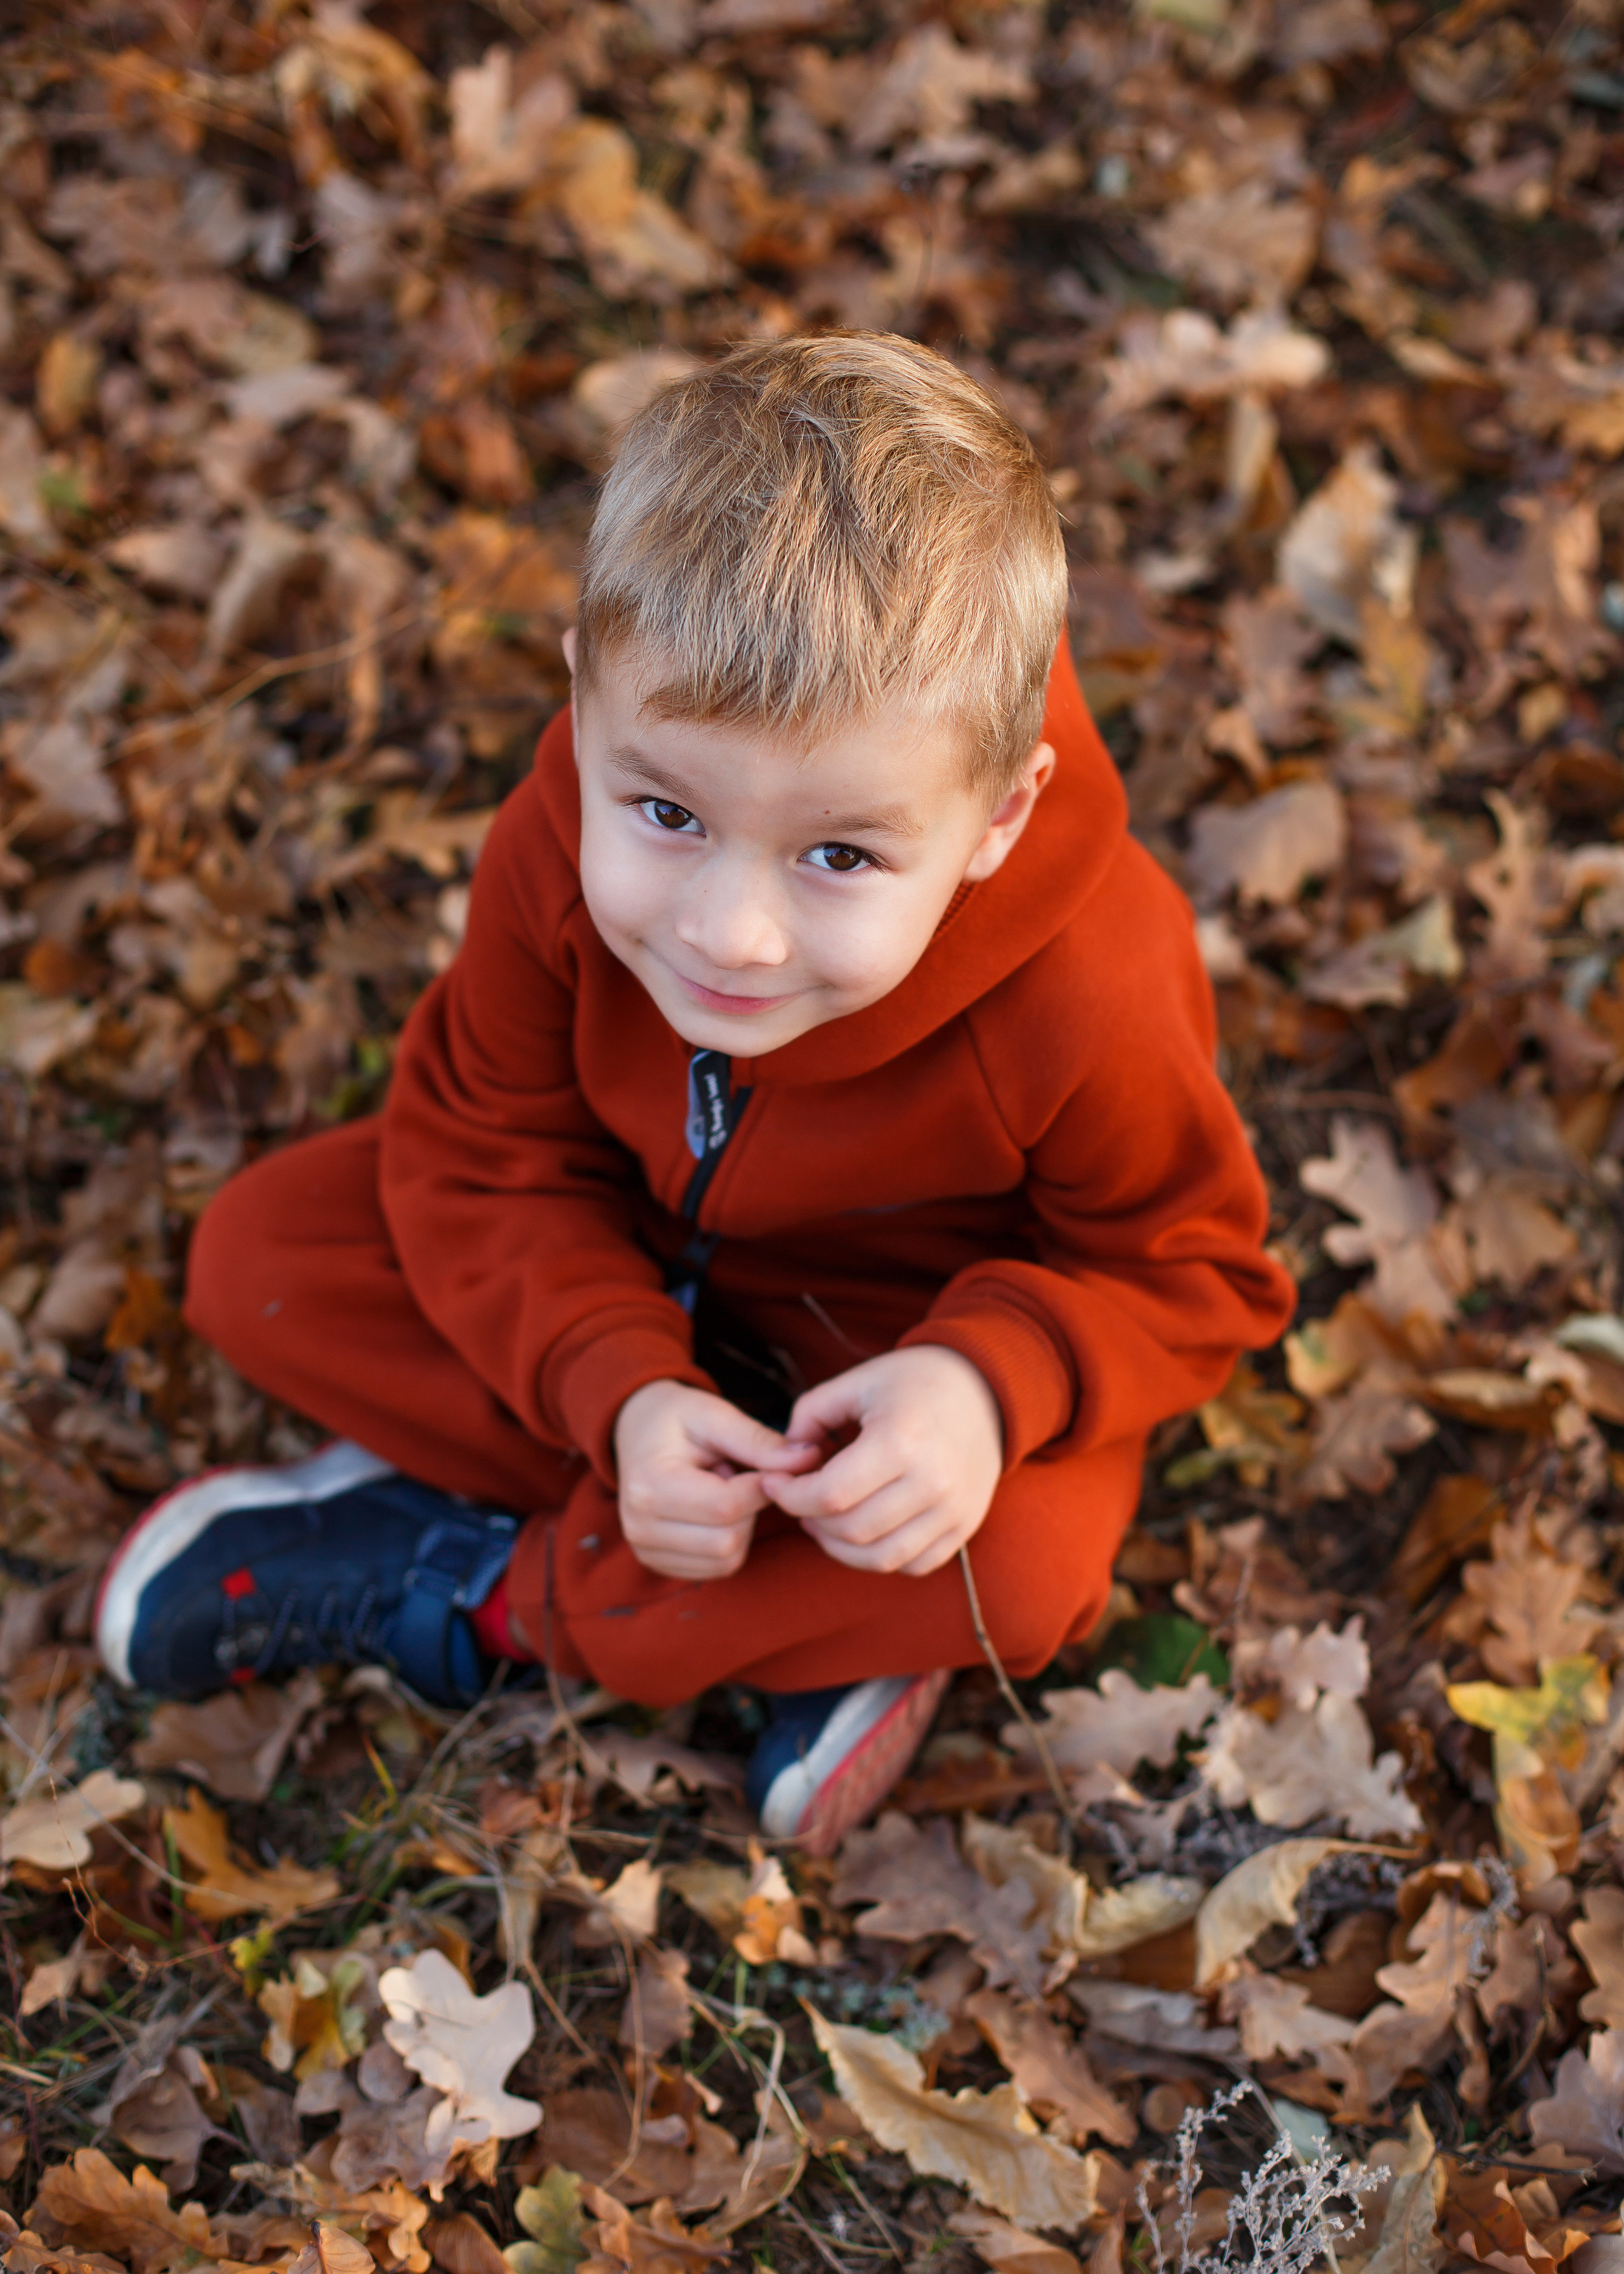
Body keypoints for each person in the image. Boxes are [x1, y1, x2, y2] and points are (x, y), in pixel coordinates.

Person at [94, 334, 1295, 1853]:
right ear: (585, 693)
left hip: (872, 1381)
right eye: (664, 810)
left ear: (995, 820)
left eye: (839, 856)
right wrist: (625, 1389)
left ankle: (494, 1586)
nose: (729, 932)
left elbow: (1188, 1270)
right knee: (265, 1258)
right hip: (620, 1276)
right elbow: (480, 1149)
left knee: (1030, 1566)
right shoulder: (549, 846)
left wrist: (986, 1388)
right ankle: (784, 1620)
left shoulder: (1086, 987)